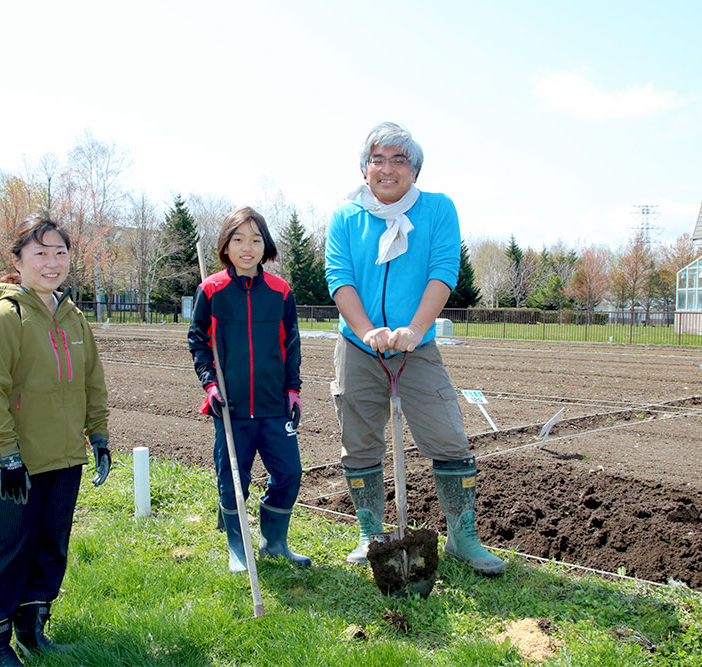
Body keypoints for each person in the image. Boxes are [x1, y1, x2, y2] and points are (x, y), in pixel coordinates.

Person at [324, 122, 505, 576]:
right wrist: (367, 331)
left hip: (416, 347)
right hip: (358, 346)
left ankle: (463, 537)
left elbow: (443, 272)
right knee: (360, 441)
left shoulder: (438, 210)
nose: (388, 169)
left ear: (415, 170)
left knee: (447, 436)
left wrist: (415, 328)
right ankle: (370, 534)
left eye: (399, 160)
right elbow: (339, 279)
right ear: (365, 170)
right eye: (378, 159)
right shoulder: (345, 217)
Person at [0, 211, 112, 666]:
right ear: (18, 260)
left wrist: (98, 435)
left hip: (65, 458)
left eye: (59, 252)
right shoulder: (5, 317)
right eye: (39, 252)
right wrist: (7, 456)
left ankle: (32, 628)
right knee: (7, 553)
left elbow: (92, 383)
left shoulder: (74, 317)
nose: (51, 261)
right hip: (18, 464)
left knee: (50, 550)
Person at [188, 206, 311, 572]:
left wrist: (294, 390)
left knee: (289, 472)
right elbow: (198, 341)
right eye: (238, 239)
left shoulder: (280, 291)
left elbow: (291, 343)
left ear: (265, 246)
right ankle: (238, 549)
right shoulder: (211, 290)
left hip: (274, 404)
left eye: (255, 239)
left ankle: (274, 542)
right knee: (233, 479)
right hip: (232, 407)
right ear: (226, 245)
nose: (247, 247)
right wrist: (210, 384)